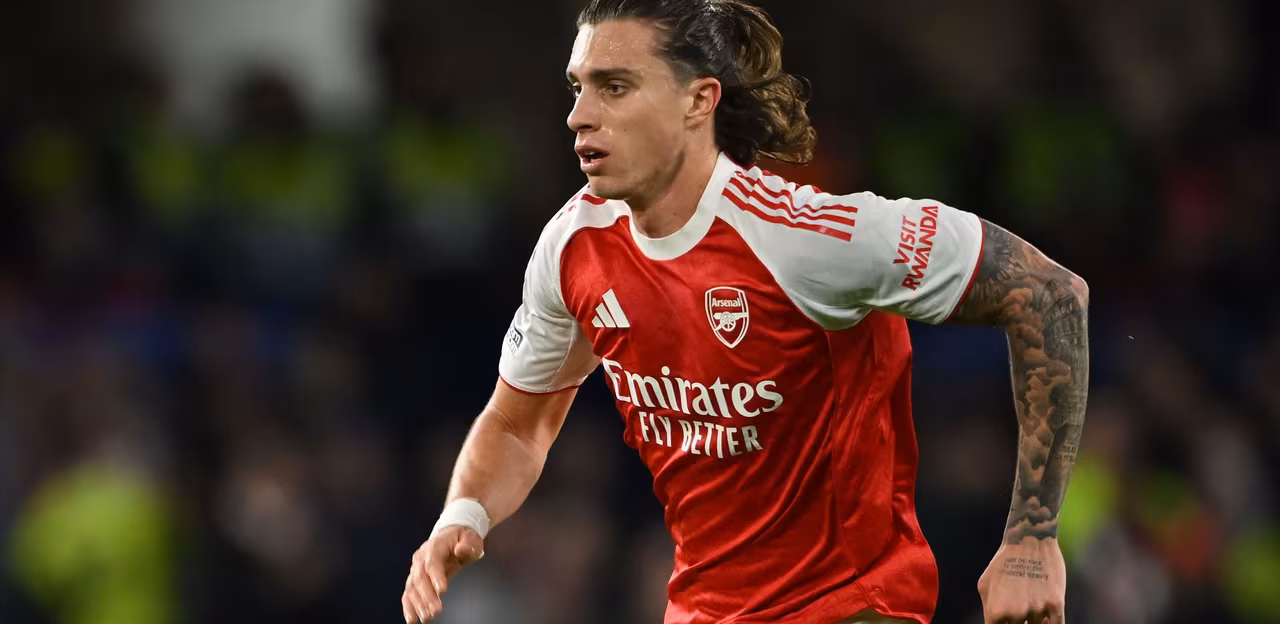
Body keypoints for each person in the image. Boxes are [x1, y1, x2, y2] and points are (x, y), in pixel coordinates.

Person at [400, 1, 1089, 622]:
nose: (580, 115)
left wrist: (1032, 539)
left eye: (615, 86)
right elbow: (517, 424)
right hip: (702, 608)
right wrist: (464, 515)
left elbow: (1049, 294)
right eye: (578, 87)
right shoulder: (572, 246)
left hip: (850, 603)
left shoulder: (811, 240)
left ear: (698, 101)